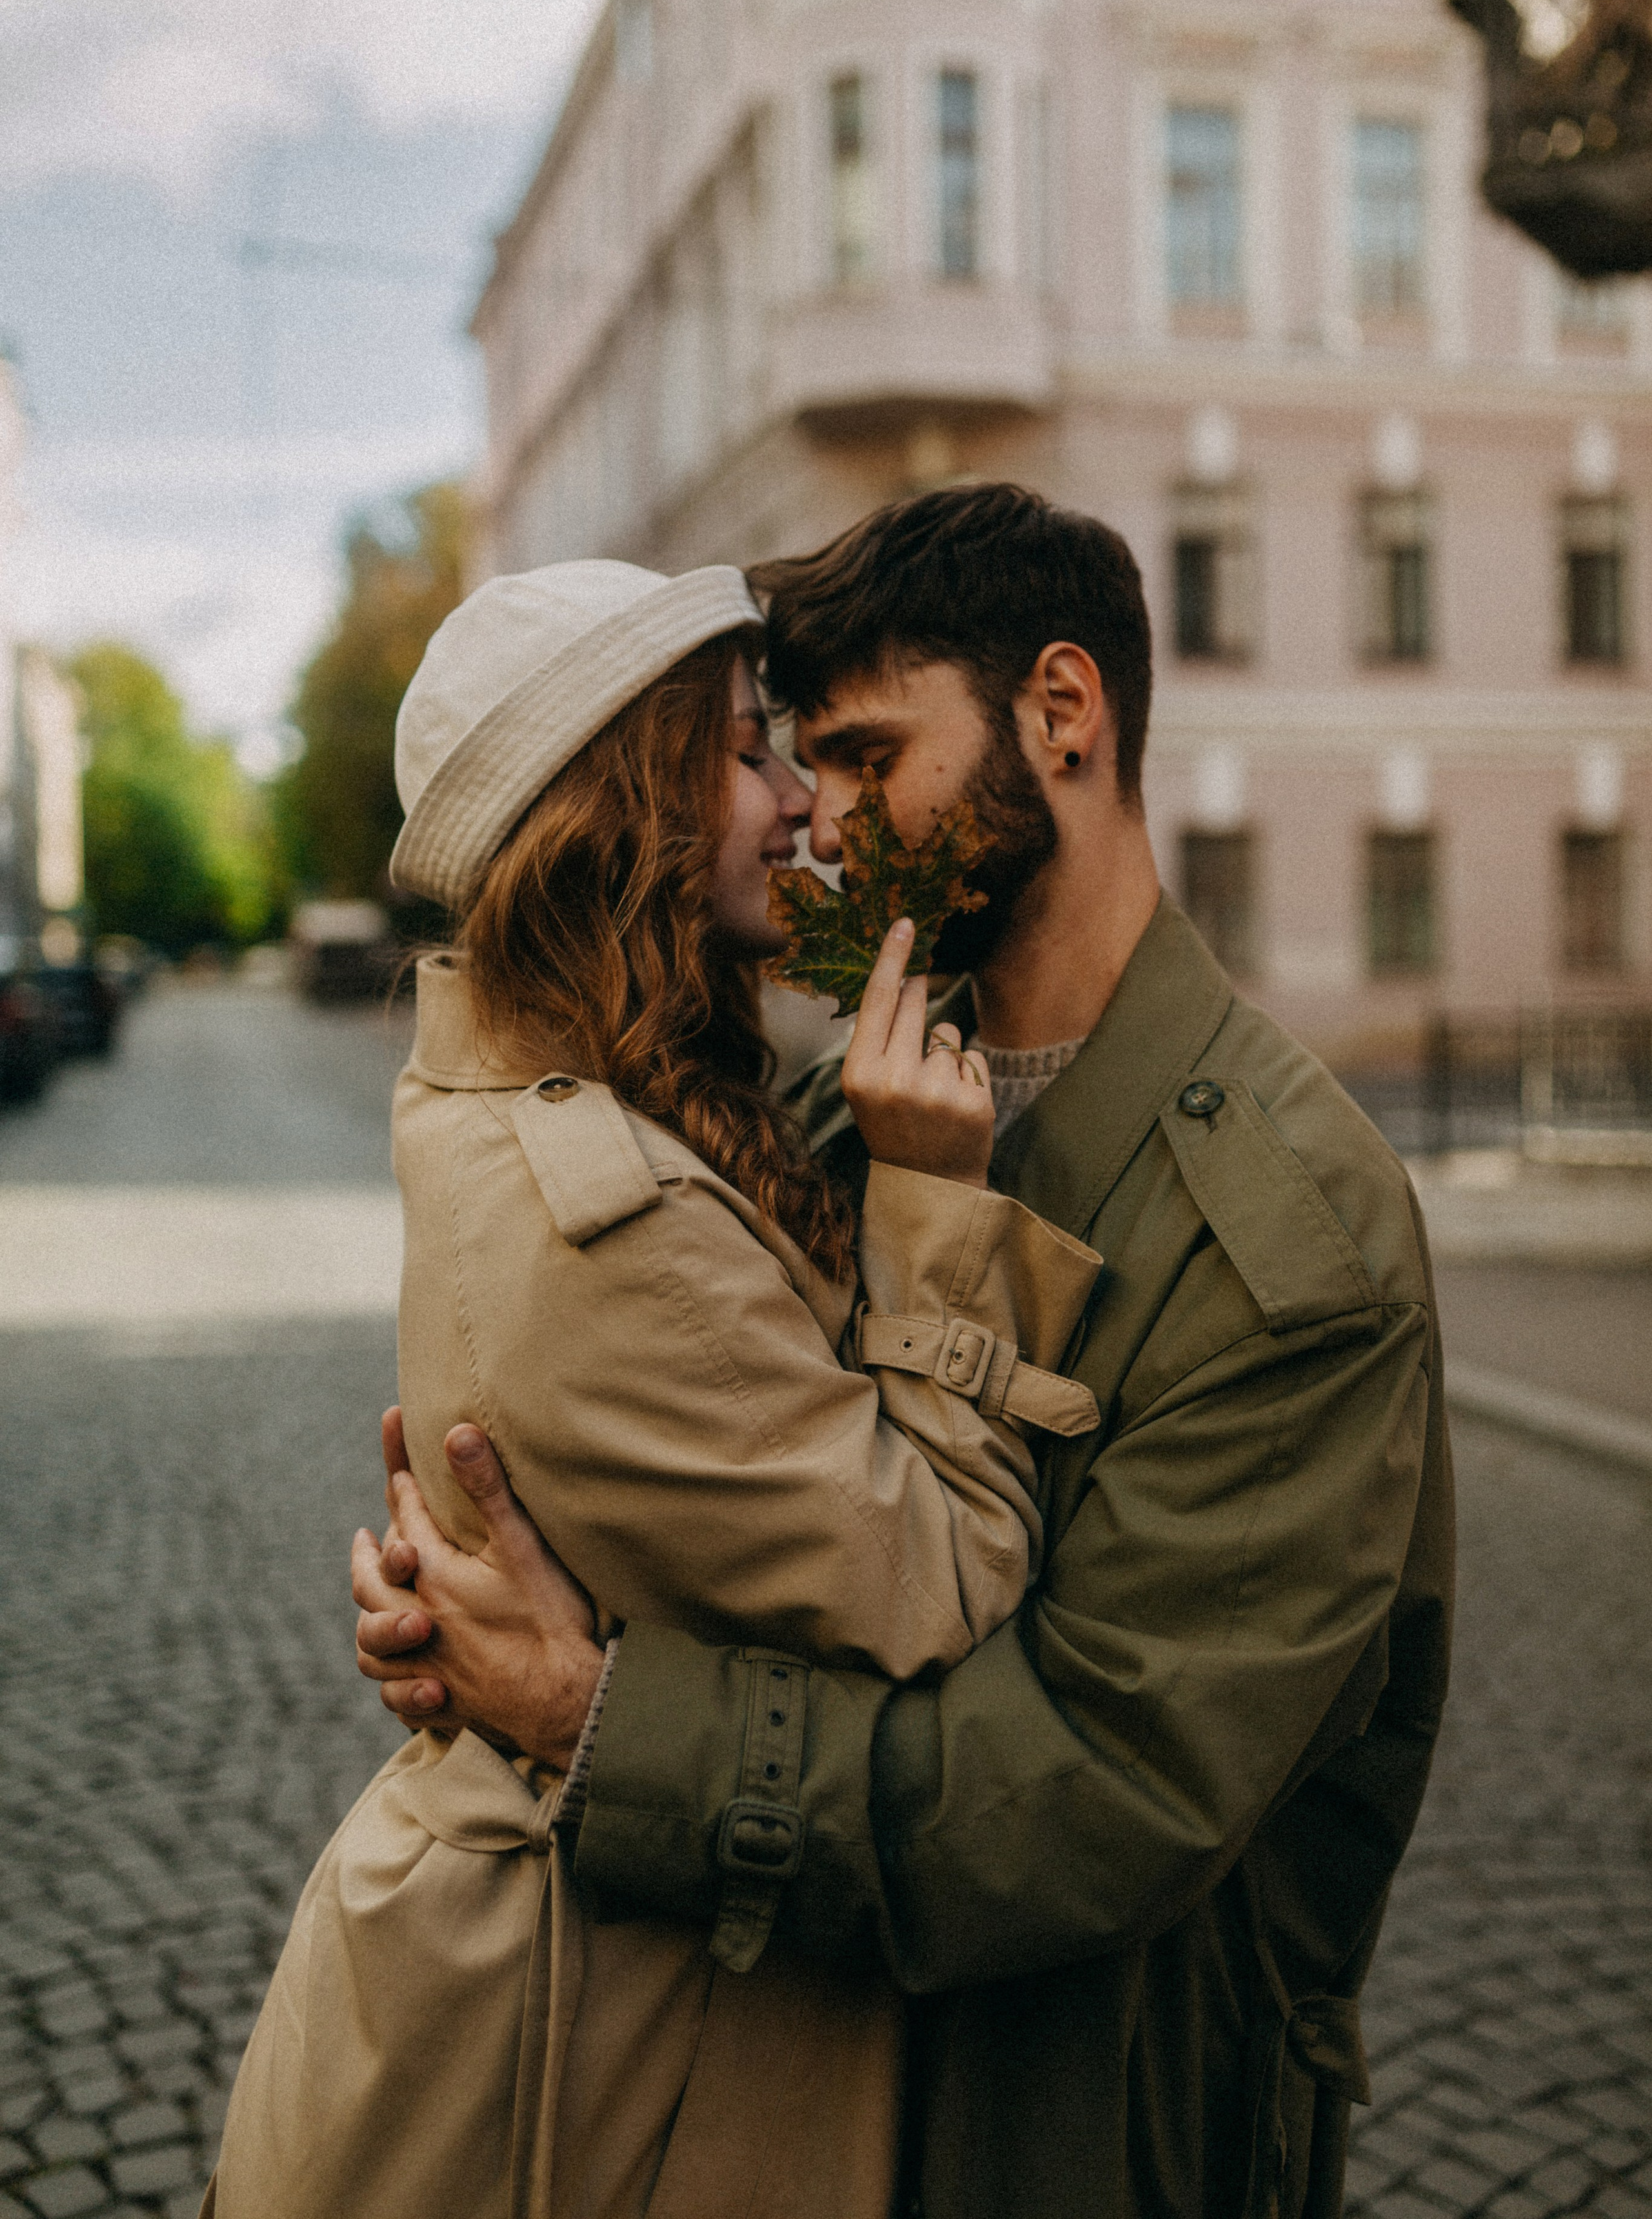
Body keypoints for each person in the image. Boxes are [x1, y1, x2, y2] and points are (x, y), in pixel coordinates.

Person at [356, 487, 1456, 2219]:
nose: (820, 820)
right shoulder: (841, 1113)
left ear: (1064, 715)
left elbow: (1102, 1790)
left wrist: (592, 1714)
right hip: (797, 2094)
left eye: (870, 759)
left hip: (1092, 2130)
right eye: (797, 764)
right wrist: (480, 1579)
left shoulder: (1290, 1232)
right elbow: (764, 1528)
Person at [205, 556, 1109, 2219]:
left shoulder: (569, 1102)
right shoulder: (608, 1216)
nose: (801, 805)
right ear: (628, 809)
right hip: (573, 2086)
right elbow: (950, 1585)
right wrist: (935, 1205)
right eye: (750, 753)